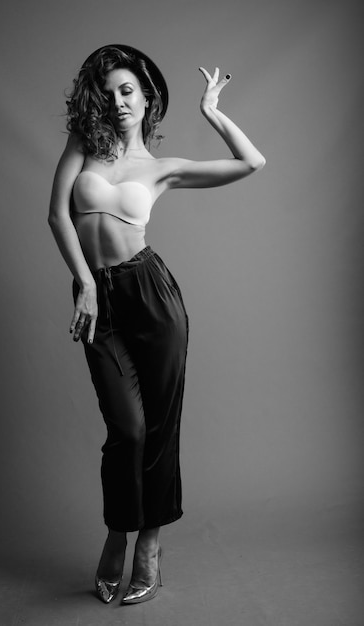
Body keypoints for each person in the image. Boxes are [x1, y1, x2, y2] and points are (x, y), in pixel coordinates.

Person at [48, 44, 265, 605]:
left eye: (129, 91)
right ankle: (117, 532)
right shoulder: (83, 145)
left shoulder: (162, 169)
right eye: (111, 91)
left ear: (147, 99)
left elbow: (251, 163)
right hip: (97, 297)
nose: (120, 101)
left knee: (161, 427)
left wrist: (213, 113)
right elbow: (57, 215)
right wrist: (88, 285)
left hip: (151, 295)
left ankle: (149, 543)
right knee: (127, 429)